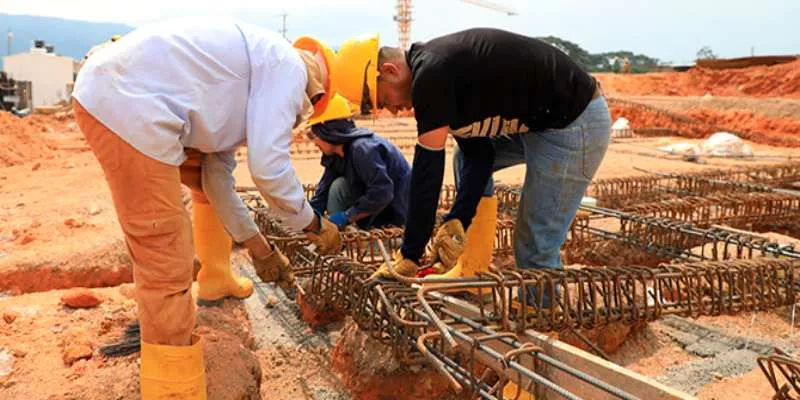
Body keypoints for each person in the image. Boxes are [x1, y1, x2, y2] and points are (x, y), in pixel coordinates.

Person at [73, 17, 341, 399]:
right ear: (315, 97)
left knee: (202, 181)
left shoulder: (249, 82)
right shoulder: (289, 69)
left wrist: (262, 252)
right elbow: (269, 170)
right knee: (165, 254)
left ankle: (216, 278)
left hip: (124, 92)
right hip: (128, 105)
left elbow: (218, 185)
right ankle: (173, 389)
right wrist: (312, 224)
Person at [333, 28, 611, 307]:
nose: (390, 110)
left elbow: (427, 171)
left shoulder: (431, 75)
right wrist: (459, 218)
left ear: (390, 71)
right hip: (540, 123)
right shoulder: (443, 73)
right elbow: (478, 154)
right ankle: (472, 269)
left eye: (381, 101)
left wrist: (410, 254)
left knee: (536, 236)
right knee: (462, 157)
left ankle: (539, 310)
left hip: (574, 124)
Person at [306, 94, 412, 230]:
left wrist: (347, 216)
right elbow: (323, 192)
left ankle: (368, 235)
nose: (315, 143)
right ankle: (336, 235)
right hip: (376, 207)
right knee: (338, 186)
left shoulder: (362, 149)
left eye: (315, 135)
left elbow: (383, 193)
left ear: (327, 132)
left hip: (396, 212)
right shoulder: (337, 155)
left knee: (340, 187)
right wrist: (308, 219)